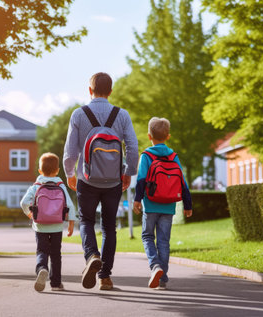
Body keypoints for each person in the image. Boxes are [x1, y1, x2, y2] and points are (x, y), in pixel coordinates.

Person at [63, 72, 138, 290]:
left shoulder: (78, 114)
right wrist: (128, 172)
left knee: (86, 221)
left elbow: (70, 149)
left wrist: (70, 173)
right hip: (113, 180)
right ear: (111, 91)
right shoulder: (122, 115)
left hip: (86, 179)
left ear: (90, 90)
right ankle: (105, 277)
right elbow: (132, 148)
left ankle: (92, 256)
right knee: (109, 227)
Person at [133, 117, 193, 290]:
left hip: (151, 204)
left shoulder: (146, 155)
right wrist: (188, 205)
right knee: (164, 242)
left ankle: (155, 266)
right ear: (168, 136)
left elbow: (141, 180)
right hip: (169, 206)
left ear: (149, 136)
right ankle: (163, 279)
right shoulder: (173, 156)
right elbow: (183, 183)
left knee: (147, 236)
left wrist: (137, 200)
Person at [20, 152, 77, 292]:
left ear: (40, 171)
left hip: (40, 226)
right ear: (57, 170)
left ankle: (42, 268)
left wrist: (30, 214)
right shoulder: (61, 185)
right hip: (57, 225)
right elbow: (70, 205)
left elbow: (23, 202)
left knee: (42, 251)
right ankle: (56, 283)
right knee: (56, 255)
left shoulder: (36, 186)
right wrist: (71, 223)